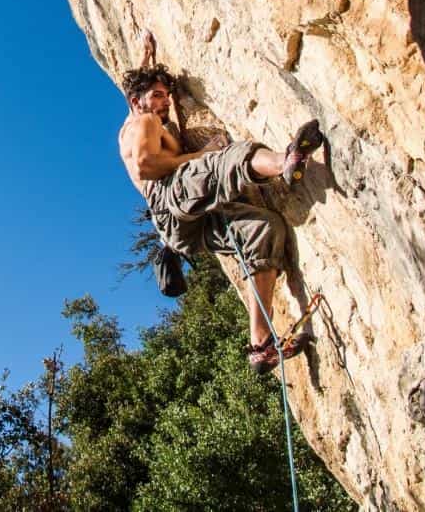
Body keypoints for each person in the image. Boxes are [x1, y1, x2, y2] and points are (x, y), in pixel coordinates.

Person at [117, 39, 324, 374]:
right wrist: (199, 155)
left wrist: (145, 55)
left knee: (264, 229)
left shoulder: (140, 119)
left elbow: (136, 92)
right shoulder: (145, 122)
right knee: (222, 160)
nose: (164, 102)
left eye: (165, 96)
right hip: (169, 198)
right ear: (136, 102)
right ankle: (284, 162)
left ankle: (260, 344)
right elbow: (145, 166)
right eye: (157, 95)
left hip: (183, 227)